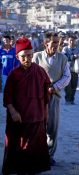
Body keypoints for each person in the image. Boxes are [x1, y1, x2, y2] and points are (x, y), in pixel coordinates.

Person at [2, 37, 51, 175]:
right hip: (20, 120)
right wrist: (13, 112)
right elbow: (7, 97)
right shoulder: (14, 75)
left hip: (37, 117)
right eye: (23, 56)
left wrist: (45, 113)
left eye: (30, 55)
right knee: (19, 149)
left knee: (35, 150)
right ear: (17, 57)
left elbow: (46, 96)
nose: (27, 59)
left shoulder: (40, 71)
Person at [32, 32, 71, 165]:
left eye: (57, 42)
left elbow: (67, 77)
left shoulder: (62, 58)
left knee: (52, 127)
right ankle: (37, 154)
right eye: (53, 42)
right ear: (45, 43)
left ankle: (49, 155)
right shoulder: (36, 57)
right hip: (37, 97)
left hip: (54, 96)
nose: (56, 44)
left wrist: (55, 87)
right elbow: (31, 76)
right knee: (38, 125)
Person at [62, 35, 79, 105]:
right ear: (68, 41)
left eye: (73, 40)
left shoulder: (78, 50)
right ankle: (67, 99)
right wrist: (73, 57)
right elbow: (64, 58)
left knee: (74, 85)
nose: (71, 42)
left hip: (75, 70)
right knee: (67, 85)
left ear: (75, 41)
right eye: (70, 40)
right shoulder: (65, 49)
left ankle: (72, 99)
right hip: (66, 70)